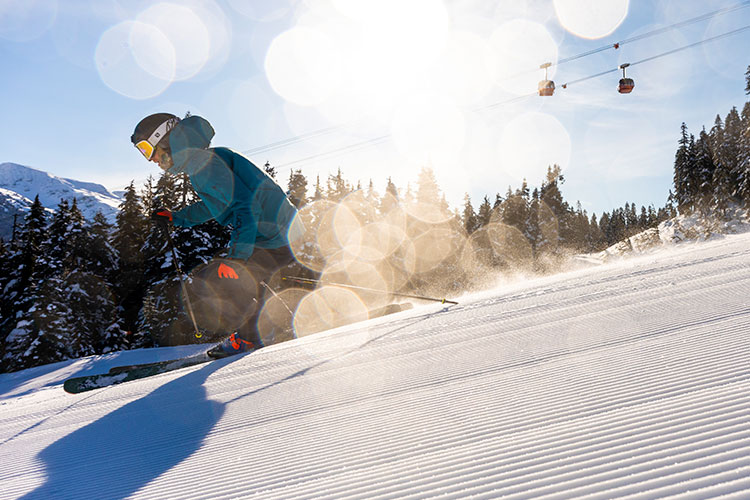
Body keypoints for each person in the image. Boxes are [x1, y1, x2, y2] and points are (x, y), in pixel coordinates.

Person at [131, 113, 304, 358]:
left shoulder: (205, 165)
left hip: (274, 234)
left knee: (225, 278)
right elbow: (216, 206)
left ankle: (250, 338)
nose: (150, 159)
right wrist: (176, 218)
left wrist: (237, 257)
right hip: (278, 231)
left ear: (167, 140)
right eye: (142, 152)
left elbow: (246, 207)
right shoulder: (203, 162)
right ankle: (280, 328)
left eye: (148, 149)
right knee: (250, 280)